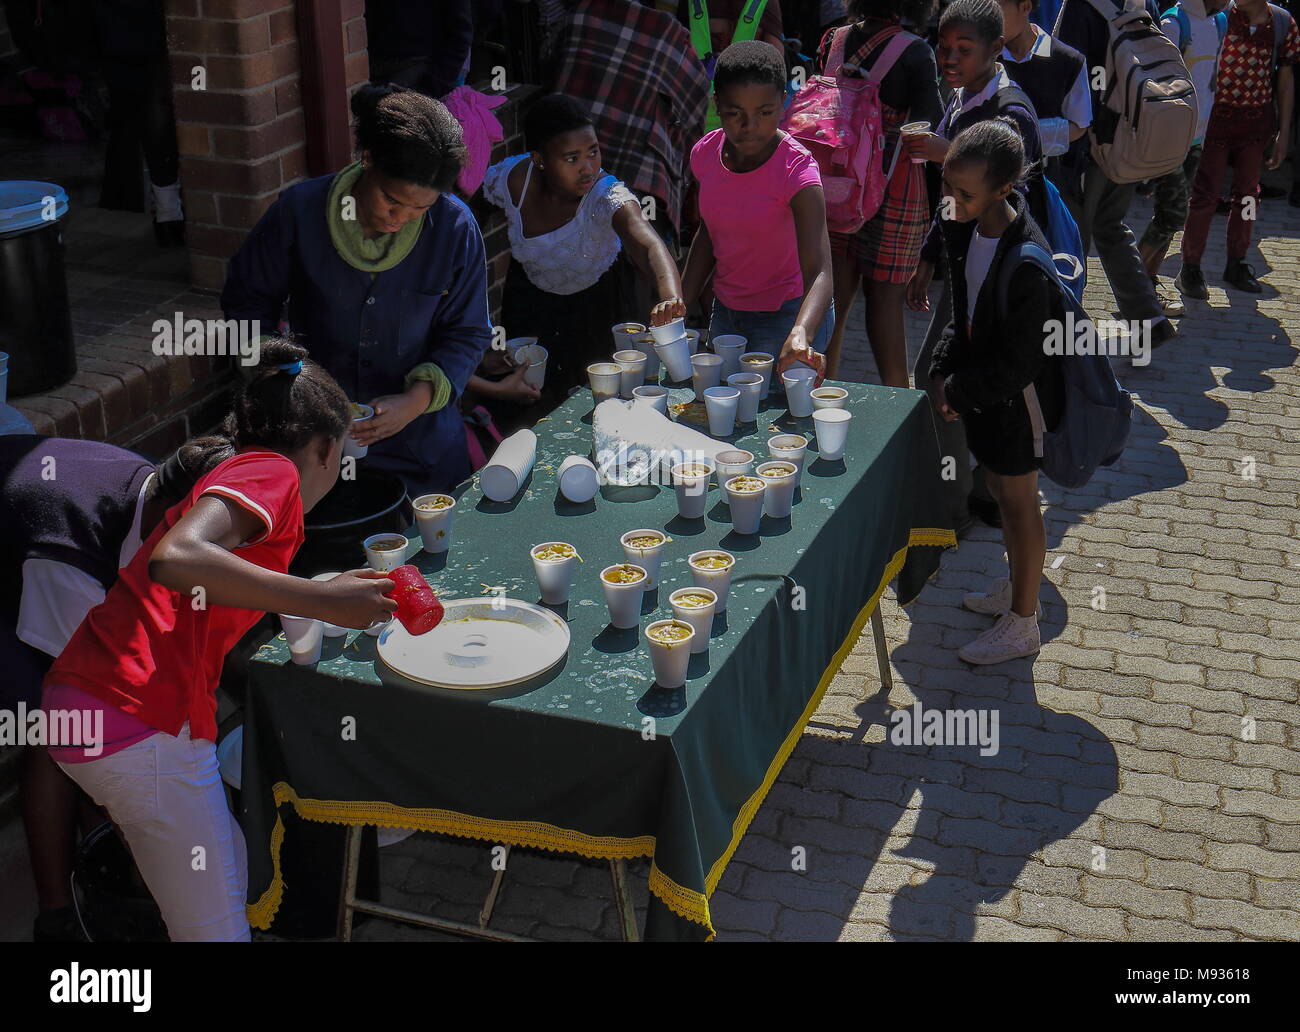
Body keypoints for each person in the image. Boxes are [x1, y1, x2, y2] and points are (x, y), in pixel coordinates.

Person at [40, 340, 398, 941]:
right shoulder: (274, 472)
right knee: (214, 928)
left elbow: (200, 588)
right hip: (140, 717)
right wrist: (323, 599)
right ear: (324, 449)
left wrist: (320, 590)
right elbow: (176, 560)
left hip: (91, 705)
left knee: (226, 867)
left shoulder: (235, 472)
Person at [0, 433, 234, 940]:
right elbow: (91, 703)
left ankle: (108, 853)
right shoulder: (66, 552)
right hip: (21, 567)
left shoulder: (163, 489)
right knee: (61, 730)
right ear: (172, 522)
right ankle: (58, 917)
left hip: (38, 539)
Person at [222, 85, 492, 499]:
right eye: (391, 200)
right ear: (367, 160)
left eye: (419, 210)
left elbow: (468, 331)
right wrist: (283, 383)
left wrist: (416, 401)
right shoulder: (299, 212)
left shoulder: (455, 229)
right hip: (314, 449)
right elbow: (246, 304)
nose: (399, 219)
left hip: (421, 448)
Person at [927, 118, 1064, 664]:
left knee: (1019, 504)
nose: (951, 201)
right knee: (1004, 502)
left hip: (1017, 404)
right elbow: (963, 311)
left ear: (1003, 190)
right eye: (947, 186)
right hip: (987, 397)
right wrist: (943, 369)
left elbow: (1024, 361)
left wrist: (959, 392)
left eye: (964, 193)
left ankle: (1024, 623)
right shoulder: (967, 226)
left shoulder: (1028, 259)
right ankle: (1016, 589)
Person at [907, 0, 1044, 535]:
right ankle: (977, 489)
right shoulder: (962, 97)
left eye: (963, 50)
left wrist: (947, 151)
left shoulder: (1013, 115)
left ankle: (960, 497)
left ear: (995, 49)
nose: (949, 59)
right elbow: (952, 201)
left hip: (999, 276)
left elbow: (1008, 203)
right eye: (943, 48)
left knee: (951, 378)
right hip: (965, 264)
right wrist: (929, 257)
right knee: (947, 375)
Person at [481, 94, 687, 398]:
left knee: (600, 397)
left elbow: (647, 245)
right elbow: (467, 222)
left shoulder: (606, 196)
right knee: (528, 393)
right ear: (539, 160)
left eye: (593, 152)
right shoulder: (513, 181)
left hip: (598, 306)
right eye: (571, 158)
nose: (588, 168)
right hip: (531, 303)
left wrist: (670, 297)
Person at [681, 40, 833, 376]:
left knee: (777, 420)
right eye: (736, 114)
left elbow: (821, 272)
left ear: (783, 102)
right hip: (726, 314)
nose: (750, 127)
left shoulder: (797, 171)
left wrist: (801, 332)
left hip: (788, 315)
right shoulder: (705, 155)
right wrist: (681, 302)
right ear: (718, 105)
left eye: (764, 113)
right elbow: (709, 231)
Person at [818, 0, 944, 385]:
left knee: (831, 305)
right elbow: (929, 128)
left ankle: (819, 401)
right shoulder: (916, 52)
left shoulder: (833, 41)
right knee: (885, 307)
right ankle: (898, 407)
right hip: (895, 188)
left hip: (835, 185)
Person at [1053, 0, 1177, 347]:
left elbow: (1067, 66)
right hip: (1132, 131)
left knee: (1073, 233)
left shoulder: (1082, 7)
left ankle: (1065, 331)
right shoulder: (1143, 1)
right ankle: (1149, 319)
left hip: (1089, 140)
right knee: (1110, 223)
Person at [550, 0, 711, 249]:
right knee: (639, 265)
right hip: (642, 177)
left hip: (572, 168)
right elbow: (694, 103)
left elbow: (553, 76)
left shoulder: (581, 14)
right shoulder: (669, 33)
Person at [1176, 0, 1299, 296]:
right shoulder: (1219, 18)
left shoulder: (1282, 24)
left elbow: (1284, 80)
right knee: (1205, 196)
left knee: (1247, 198)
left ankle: (1237, 261)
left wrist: (1283, 133)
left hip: (1255, 128)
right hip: (1216, 124)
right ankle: (1190, 268)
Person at [1138, 0, 1230, 314]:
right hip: (1171, 137)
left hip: (1197, 136)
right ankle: (1134, 288)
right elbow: (1157, 83)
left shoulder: (1218, 22)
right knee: (1172, 214)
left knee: (1170, 216)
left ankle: (1143, 286)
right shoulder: (1174, 25)